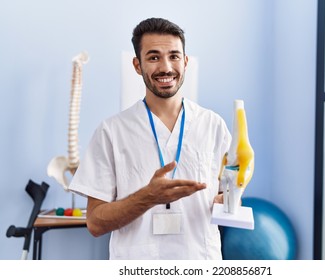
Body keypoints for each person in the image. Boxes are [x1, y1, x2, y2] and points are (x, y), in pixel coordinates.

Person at [69, 17, 231, 260]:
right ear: (137, 65)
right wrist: (148, 197)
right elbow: (95, 223)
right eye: (154, 57)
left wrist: (226, 199)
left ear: (185, 62)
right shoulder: (111, 132)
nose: (166, 67)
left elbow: (223, 193)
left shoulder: (213, 125)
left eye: (174, 56)